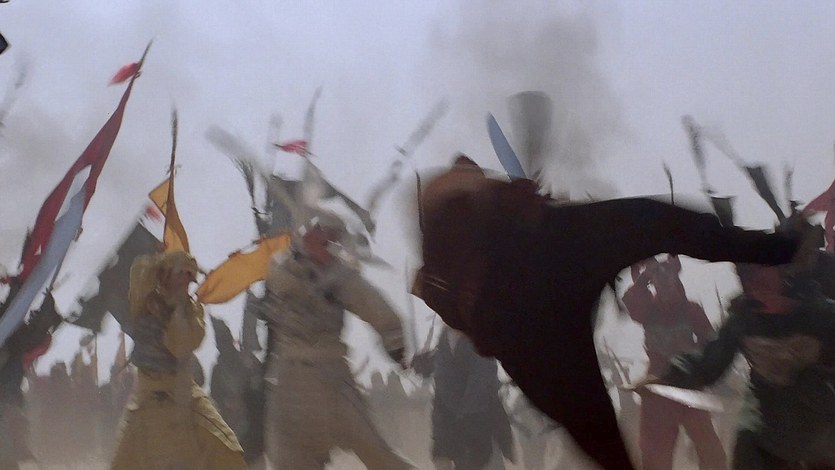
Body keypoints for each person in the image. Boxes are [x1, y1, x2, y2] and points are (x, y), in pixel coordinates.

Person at [412, 156, 804, 469]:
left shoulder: (461, 246)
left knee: (614, 440)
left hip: (541, 298)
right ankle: (776, 248)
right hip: (534, 313)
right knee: (607, 439)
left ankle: (776, 248)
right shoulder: (455, 247)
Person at [636, 253, 835, 469]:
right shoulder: (744, 318)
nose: (755, 284)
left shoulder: (816, 309)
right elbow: (709, 361)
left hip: (822, 423)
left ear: (780, 271)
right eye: (747, 276)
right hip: (768, 424)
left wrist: (792, 309)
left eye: (761, 274)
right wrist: (669, 377)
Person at [262, 212, 414, 469]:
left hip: (331, 378)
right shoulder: (283, 267)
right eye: (320, 233)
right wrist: (308, 273)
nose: (326, 242)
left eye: (333, 239)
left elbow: (375, 306)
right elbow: (282, 283)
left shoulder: (342, 277)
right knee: (289, 460)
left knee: (376, 453)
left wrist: (395, 344)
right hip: (289, 382)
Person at [111, 251, 246, 470]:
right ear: (165, 275)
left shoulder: (193, 311)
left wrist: (176, 309)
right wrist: (158, 262)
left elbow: (182, 344)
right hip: (146, 396)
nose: (185, 280)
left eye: (189, 275)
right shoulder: (145, 301)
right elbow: (139, 273)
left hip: (183, 394)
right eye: (180, 273)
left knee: (225, 449)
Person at [623, 255, 728, 469]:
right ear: (653, 285)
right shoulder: (648, 311)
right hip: (658, 389)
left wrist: (696, 360)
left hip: (688, 385)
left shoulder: (691, 310)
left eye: (668, 277)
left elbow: (711, 346)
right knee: (655, 455)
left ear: (676, 279)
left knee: (710, 450)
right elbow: (633, 303)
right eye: (658, 280)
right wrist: (643, 279)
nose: (664, 284)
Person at [413, 326, 514, 470]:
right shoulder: (443, 342)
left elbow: (481, 385)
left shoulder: (479, 341)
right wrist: (441, 447)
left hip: (481, 429)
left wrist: (463, 419)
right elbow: (441, 395)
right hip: (456, 434)